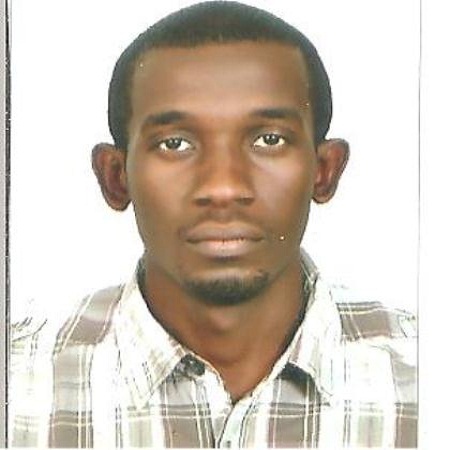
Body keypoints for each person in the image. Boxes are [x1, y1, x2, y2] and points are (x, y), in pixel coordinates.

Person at [10, 1, 417, 448]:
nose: (223, 187)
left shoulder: (423, 379)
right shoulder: (19, 388)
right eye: (175, 144)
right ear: (115, 177)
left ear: (325, 171)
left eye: (269, 139)